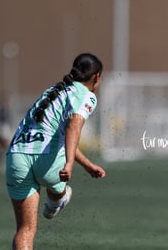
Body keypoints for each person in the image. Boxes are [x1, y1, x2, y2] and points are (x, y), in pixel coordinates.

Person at [6, 53, 107, 249]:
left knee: (25, 229)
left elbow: (56, 137)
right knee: (58, 188)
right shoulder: (86, 95)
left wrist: (87, 165)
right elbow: (73, 128)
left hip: (17, 156)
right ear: (96, 77)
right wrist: (69, 164)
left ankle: (55, 201)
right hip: (48, 162)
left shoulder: (52, 91)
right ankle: (56, 200)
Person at [0, 92, 13, 174]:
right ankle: (0, 164)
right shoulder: (1, 110)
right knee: (4, 147)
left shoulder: (6, 109)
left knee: (3, 147)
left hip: (5, 130)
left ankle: (0, 163)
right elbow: (0, 123)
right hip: (2, 130)